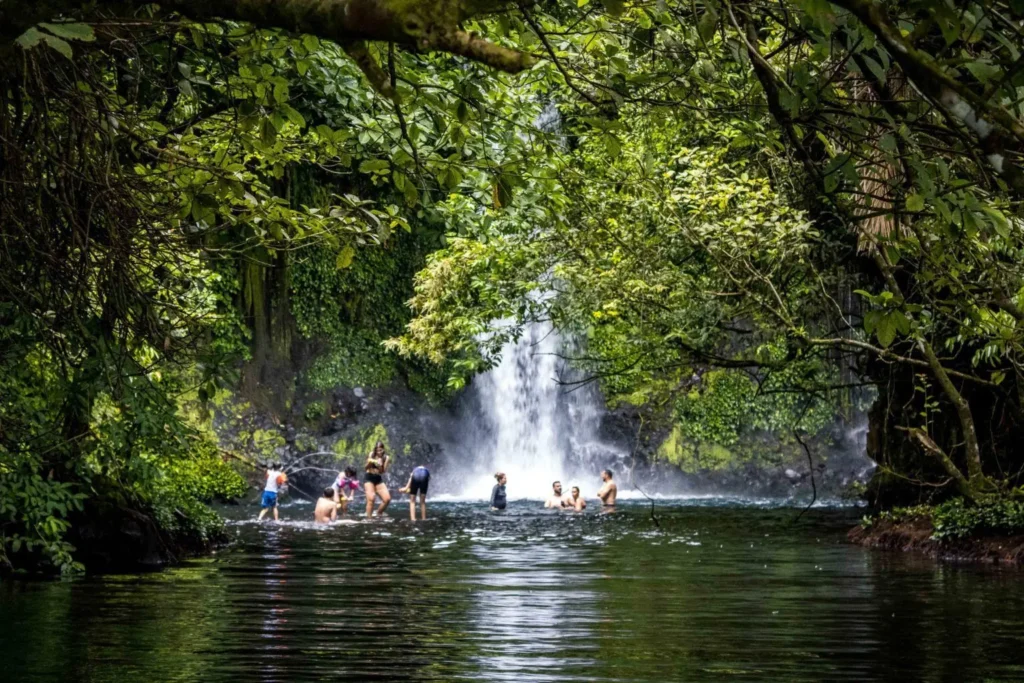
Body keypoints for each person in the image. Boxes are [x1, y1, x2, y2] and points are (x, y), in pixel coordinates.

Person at [363, 440, 391, 517]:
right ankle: (369, 518)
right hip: (369, 477)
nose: (379, 452)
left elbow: (382, 472)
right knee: (371, 499)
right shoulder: (371, 454)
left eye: (380, 450)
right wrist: (371, 462)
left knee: (387, 499)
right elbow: (365, 468)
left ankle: (378, 512)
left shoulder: (386, 457)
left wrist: (380, 465)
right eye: (377, 450)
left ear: (383, 449)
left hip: (378, 478)